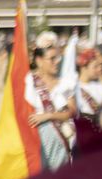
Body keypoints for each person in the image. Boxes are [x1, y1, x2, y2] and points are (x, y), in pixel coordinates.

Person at [27, 41, 76, 170]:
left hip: (61, 142)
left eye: (58, 57)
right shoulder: (29, 83)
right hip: (37, 141)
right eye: (52, 58)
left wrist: (48, 116)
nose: (57, 61)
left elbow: (72, 111)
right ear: (39, 60)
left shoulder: (65, 84)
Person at [74, 47, 102, 143]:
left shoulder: (99, 85)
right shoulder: (73, 86)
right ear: (83, 67)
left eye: (100, 66)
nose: (100, 69)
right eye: (95, 66)